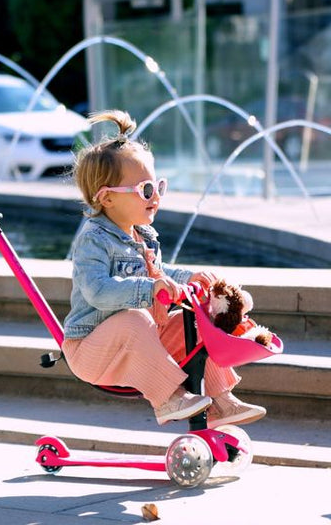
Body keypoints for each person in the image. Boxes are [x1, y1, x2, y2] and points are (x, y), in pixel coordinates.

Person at [62, 110, 266, 428]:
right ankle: (168, 398)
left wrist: (188, 278)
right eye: (145, 190)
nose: (155, 197)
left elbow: (159, 272)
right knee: (134, 318)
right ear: (107, 198)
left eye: (158, 186)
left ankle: (221, 401)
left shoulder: (144, 236)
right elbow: (98, 291)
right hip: (91, 351)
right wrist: (148, 289)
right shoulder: (94, 239)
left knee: (195, 321)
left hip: (143, 339)